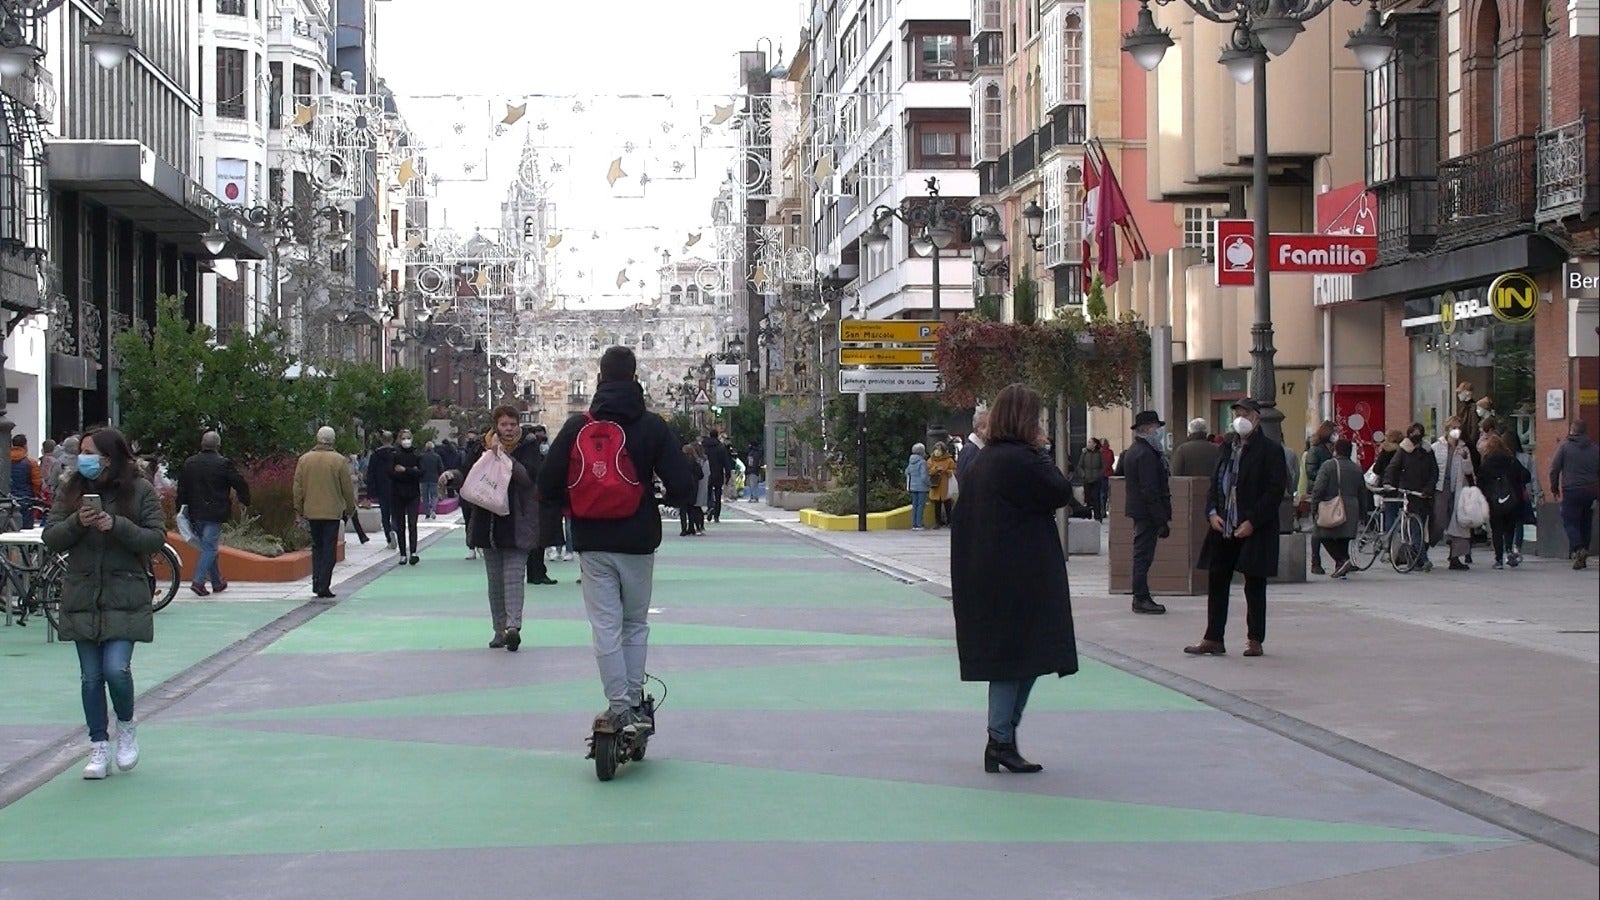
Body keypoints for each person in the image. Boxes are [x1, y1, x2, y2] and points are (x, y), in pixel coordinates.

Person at [537, 346, 696, 736]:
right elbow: (683, 484)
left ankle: (618, 707)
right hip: (639, 537)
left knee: (604, 625)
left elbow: (546, 484)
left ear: (599, 378)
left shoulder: (578, 426)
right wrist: (665, 498)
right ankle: (636, 702)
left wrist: (568, 509)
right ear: (635, 376)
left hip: (592, 538)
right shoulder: (652, 425)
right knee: (634, 624)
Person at [949, 383, 1078, 775]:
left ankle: (1002, 738)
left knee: (1018, 658)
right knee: (1017, 660)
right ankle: (1000, 739)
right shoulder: (1020, 460)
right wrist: (1041, 450)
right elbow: (1059, 490)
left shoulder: (985, 459)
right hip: (1019, 579)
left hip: (992, 576)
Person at [43, 427, 167, 779]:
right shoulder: (70, 490)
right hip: (83, 594)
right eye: (81, 451)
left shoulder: (139, 491)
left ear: (110, 457)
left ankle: (126, 727)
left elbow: (155, 537)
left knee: (116, 668)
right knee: (90, 677)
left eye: (90, 452)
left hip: (124, 593)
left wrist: (116, 525)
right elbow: (51, 537)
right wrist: (76, 523)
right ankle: (98, 743)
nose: (83, 458)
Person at [1186, 399, 1286, 658]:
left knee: (1254, 582)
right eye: (1237, 414)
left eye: (1245, 413)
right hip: (1223, 525)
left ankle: (1255, 639)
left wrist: (1252, 522)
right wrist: (1211, 513)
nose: (1240, 418)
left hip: (1253, 526)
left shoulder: (1270, 450)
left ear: (1256, 417)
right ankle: (1213, 637)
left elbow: (1274, 491)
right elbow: (1215, 482)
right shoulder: (1227, 446)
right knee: (1217, 579)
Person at [441, 407, 542, 650]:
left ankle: (513, 627)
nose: (509, 429)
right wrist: (450, 476)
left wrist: (504, 457)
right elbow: (466, 473)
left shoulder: (528, 447)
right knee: (495, 582)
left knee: (514, 578)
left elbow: (528, 478)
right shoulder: (480, 448)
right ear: (495, 425)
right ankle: (499, 630)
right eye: (504, 424)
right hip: (488, 524)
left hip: (517, 522)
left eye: (512, 424)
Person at [175, 430, 251, 595]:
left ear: (202, 444)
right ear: (218, 446)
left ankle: (217, 582)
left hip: (195, 511)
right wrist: (245, 499)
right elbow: (239, 482)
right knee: (209, 548)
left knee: (208, 547)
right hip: (215, 511)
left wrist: (179, 509)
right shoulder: (223, 463)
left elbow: (181, 488)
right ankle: (198, 581)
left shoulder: (190, 463)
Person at [1117, 411, 1171, 616]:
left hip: (1141, 510)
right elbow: (1149, 489)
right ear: (1148, 428)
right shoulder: (1146, 453)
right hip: (1146, 512)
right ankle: (1140, 597)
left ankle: (1141, 595)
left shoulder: (1134, 450)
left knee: (1142, 554)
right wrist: (1161, 518)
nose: (1158, 431)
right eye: (1156, 427)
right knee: (1143, 555)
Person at [293, 426, 357, 599]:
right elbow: (347, 488)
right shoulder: (338, 460)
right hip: (332, 512)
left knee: (317, 547)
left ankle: (316, 580)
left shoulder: (304, 460)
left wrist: (298, 508)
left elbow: (297, 487)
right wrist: (350, 507)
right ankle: (323, 584)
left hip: (312, 511)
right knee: (329, 549)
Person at [1384, 423, 1440, 572]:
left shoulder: (1427, 451)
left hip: (1425, 495)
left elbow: (1434, 472)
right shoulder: (1403, 450)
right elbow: (1393, 467)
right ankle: (1422, 559)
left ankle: (1417, 557)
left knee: (1426, 528)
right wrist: (1389, 483)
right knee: (1416, 528)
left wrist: (1428, 488)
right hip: (1410, 494)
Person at [1549, 419, 1599, 569]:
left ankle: (1578, 548)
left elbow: (1554, 469)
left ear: (1572, 430)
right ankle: (1582, 557)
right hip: (1591, 491)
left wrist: (1554, 487)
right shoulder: (1595, 449)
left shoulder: (1564, 447)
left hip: (1571, 490)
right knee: (1586, 522)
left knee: (1569, 520)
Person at [1311, 438, 1363, 578]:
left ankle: (1341, 560)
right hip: (1351, 508)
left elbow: (1318, 488)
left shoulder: (1328, 466)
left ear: (1336, 449)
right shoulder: (1356, 469)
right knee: (1343, 538)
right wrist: (1363, 513)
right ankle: (1340, 565)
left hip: (1332, 506)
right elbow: (1362, 492)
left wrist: (1314, 506)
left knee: (1322, 534)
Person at [1477, 435, 1530, 569]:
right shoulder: (1511, 461)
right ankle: (1510, 551)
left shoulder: (1486, 463)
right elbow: (1526, 476)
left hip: (1493, 502)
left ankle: (1498, 559)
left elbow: (1480, 482)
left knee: (1496, 530)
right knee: (1509, 528)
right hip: (1512, 501)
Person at [1433, 416, 1476, 570]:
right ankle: (1423, 549)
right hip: (1440, 487)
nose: (1456, 431)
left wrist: (1465, 460)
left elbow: (1469, 471)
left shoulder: (1464, 449)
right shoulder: (1437, 447)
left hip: (1458, 488)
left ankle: (1455, 557)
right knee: (1438, 520)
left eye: (1458, 428)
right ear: (1447, 429)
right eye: (1453, 428)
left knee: (1458, 522)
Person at [1297, 420, 1337, 575]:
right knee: (1319, 528)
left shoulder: (1329, 449)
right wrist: (1326, 475)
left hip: (1329, 491)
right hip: (1318, 491)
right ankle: (1316, 561)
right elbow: (1311, 471)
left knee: (1327, 525)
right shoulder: (1316, 450)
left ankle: (1338, 559)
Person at [389, 429, 423, 565]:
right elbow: (390, 473)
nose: (406, 441)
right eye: (403, 438)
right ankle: (403, 553)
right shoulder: (394, 454)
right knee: (400, 525)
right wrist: (411, 471)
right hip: (398, 494)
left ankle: (413, 552)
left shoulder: (417, 454)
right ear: (399, 439)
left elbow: (421, 472)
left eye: (408, 438)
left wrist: (405, 470)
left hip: (413, 493)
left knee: (412, 524)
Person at [365, 431, 397, 549]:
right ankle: (395, 529)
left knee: (385, 514)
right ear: (392, 440)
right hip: (396, 487)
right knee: (396, 512)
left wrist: (370, 492)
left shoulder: (375, 455)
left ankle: (389, 536)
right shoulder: (397, 453)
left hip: (382, 488)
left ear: (382, 440)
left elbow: (371, 474)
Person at [10, 433, 43, 529]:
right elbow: (37, 483)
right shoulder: (31, 462)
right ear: (25, 445)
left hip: (8, 502)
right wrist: (35, 494)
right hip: (26, 500)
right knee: (26, 528)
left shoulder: (5, 461)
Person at [700, 430, 730, 523]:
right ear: (717, 436)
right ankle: (716, 515)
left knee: (708, 492)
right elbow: (726, 462)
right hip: (718, 473)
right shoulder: (721, 447)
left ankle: (710, 506)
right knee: (718, 494)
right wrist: (728, 475)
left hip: (706, 473)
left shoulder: (704, 447)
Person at [1074, 438, 1106, 521]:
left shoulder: (1099, 454)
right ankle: (1087, 516)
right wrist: (1083, 474)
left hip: (1096, 480)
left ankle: (1097, 517)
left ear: (1094, 444)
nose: (1088, 444)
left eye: (1090, 442)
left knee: (1096, 499)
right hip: (1087, 479)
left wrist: (1099, 475)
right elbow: (1080, 465)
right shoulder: (1084, 454)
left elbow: (1103, 466)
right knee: (1087, 499)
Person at [679, 443, 706, 536]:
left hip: (682, 487)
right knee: (691, 508)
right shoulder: (695, 463)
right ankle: (691, 527)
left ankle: (683, 528)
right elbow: (701, 475)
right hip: (693, 487)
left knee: (682, 509)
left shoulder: (680, 462)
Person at [927, 442, 956, 528]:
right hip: (936, 485)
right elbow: (929, 471)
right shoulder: (931, 460)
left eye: (939, 450)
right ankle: (938, 522)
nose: (937, 451)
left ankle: (950, 521)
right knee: (937, 505)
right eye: (936, 449)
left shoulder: (949, 460)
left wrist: (947, 471)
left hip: (945, 485)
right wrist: (935, 469)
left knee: (948, 504)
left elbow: (954, 470)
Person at [956, 411, 989, 483]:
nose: (989, 430)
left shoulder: (982, 449)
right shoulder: (970, 451)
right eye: (984, 427)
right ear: (976, 431)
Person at [905, 442, 930, 531]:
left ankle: (914, 523)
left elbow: (907, 472)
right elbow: (924, 476)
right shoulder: (922, 462)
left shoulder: (911, 461)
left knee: (914, 505)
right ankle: (919, 524)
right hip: (922, 487)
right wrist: (929, 483)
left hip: (912, 486)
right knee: (920, 506)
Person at [418, 441, 444, 519]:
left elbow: (419, 467)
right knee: (434, 495)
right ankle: (433, 510)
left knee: (425, 496)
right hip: (434, 478)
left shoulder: (421, 456)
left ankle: (427, 512)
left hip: (423, 479)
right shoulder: (437, 456)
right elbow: (441, 468)